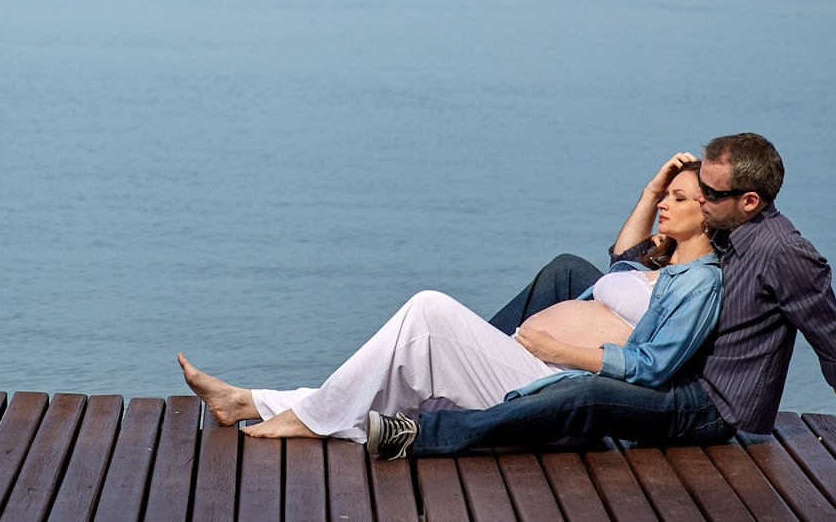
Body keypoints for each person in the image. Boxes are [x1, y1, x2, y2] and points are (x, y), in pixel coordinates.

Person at [372, 132, 836, 464]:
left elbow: (835, 347)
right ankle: (471, 371)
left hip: (707, 403)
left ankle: (424, 435)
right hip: (669, 353)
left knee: (590, 391)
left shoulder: (786, 254)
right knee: (568, 271)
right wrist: (653, 192)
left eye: (711, 193)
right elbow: (628, 259)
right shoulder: (719, 228)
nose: (700, 198)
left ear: (749, 200)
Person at [177, 156, 721, 442]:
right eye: (664, 198)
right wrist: (652, 190)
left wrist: (559, 346)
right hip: (528, 357)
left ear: (709, 210)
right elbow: (619, 256)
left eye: (678, 198)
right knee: (398, 374)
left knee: (428, 313)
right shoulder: (656, 261)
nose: (664, 205)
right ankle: (250, 402)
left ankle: (299, 417)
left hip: (551, 381)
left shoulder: (699, 280)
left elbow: (652, 366)